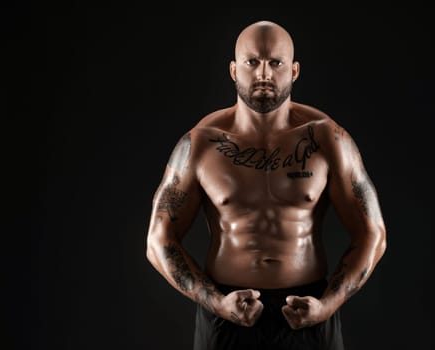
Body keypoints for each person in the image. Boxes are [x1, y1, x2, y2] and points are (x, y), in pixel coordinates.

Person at [145, 20, 387, 350]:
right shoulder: (200, 144)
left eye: (275, 62)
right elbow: (158, 240)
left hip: (309, 313)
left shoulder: (328, 139)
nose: (263, 74)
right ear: (233, 70)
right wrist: (216, 303)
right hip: (226, 314)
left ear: (295, 70)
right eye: (251, 62)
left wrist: (327, 307)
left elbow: (373, 233)